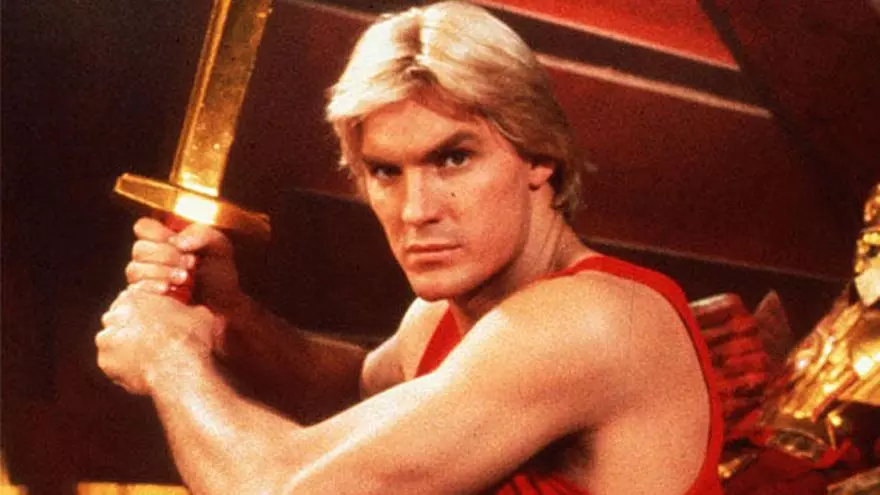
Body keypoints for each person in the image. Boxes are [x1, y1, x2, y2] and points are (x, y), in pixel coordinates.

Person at [97, 2, 724, 494]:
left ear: (540, 157)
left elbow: (286, 488)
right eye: (385, 171)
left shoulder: (592, 321)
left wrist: (169, 357)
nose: (417, 210)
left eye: (453, 159)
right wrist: (230, 318)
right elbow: (353, 391)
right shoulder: (445, 315)